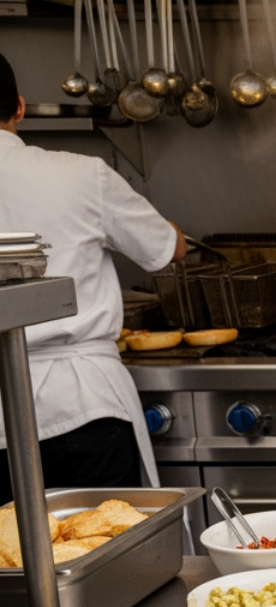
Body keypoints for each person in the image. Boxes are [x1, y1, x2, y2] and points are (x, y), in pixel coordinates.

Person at [0, 51, 186, 505]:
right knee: (111, 559)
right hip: (81, 405)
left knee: (8, 567)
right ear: (19, 108)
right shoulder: (80, 175)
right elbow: (166, 250)